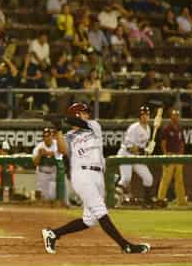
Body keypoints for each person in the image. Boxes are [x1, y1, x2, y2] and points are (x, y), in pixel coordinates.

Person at [42, 103, 150, 254]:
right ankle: (125, 246)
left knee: (89, 219)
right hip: (81, 174)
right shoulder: (68, 136)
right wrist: (58, 128)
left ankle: (53, 234)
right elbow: (63, 150)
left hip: (98, 175)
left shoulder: (93, 126)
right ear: (77, 114)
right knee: (100, 210)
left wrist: (63, 118)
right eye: (84, 112)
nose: (87, 114)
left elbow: (80, 123)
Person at [115, 106, 155, 208]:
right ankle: (113, 200)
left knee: (148, 178)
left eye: (146, 115)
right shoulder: (134, 128)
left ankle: (147, 202)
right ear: (140, 116)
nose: (145, 117)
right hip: (125, 154)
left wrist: (148, 149)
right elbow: (130, 147)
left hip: (136, 156)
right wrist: (144, 150)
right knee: (126, 178)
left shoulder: (148, 128)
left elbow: (142, 147)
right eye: (143, 115)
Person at [157, 110, 187, 207]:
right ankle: (160, 199)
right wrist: (166, 155)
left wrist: (181, 154)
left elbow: (182, 142)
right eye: (174, 115)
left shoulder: (180, 128)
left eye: (177, 116)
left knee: (180, 179)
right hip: (169, 155)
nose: (176, 117)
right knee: (166, 179)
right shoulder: (167, 128)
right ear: (171, 117)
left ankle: (181, 200)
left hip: (178, 156)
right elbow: (163, 143)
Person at [32, 128, 62, 201]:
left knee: (53, 196)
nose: (46, 138)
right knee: (43, 197)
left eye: (48, 136)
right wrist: (39, 154)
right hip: (42, 173)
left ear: (51, 136)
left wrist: (48, 153)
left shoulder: (57, 144)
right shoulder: (39, 146)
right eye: (44, 136)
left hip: (54, 173)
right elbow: (35, 163)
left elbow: (62, 154)